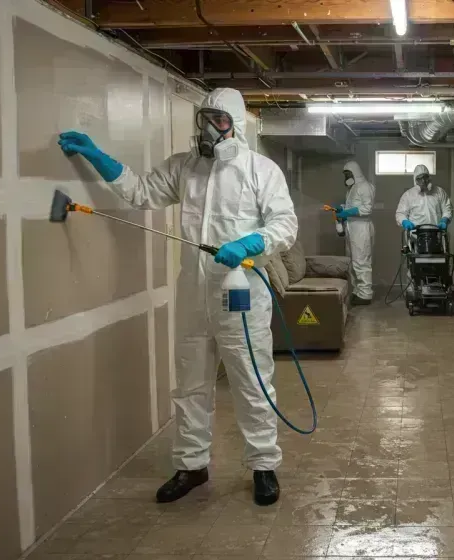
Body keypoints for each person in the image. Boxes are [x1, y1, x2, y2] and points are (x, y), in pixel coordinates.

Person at [57, 88, 297, 506]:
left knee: (251, 382)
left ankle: (263, 465)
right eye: (204, 119)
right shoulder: (184, 168)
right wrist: (98, 157)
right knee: (189, 384)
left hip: (240, 292)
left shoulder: (261, 170)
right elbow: (140, 192)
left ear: (235, 125)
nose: (208, 129)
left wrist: (250, 242)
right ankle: (192, 465)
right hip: (192, 292)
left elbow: (285, 224)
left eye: (218, 120)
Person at [336, 161, 376, 305]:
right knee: (352, 262)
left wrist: (347, 212)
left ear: (355, 173)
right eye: (345, 175)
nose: (346, 177)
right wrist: (342, 211)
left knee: (361, 261)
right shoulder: (352, 189)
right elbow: (352, 206)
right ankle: (357, 291)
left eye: (348, 174)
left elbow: (367, 208)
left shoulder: (365, 186)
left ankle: (365, 294)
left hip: (361, 228)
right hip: (352, 227)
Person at [395, 164, 453, 232]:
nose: (423, 181)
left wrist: (444, 220)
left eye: (425, 177)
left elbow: (447, 208)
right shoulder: (408, 195)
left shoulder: (439, 192)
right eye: (420, 178)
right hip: (416, 235)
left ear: (429, 178)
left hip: (436, 233)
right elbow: (400, 213)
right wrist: (404, 221)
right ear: (415, 180)